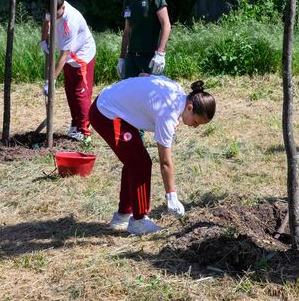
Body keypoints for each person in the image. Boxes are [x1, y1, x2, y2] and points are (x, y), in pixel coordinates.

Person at [89, 77, 216, 235]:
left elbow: (145, 75)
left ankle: (123, 215)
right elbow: (165, 162)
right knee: (140, 163)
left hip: (113, 104)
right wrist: (172, 196)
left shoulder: (176, 89)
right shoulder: (168, 114)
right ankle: (139, 221)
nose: (195, 127)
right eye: (196, 122)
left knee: (134, 159)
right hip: (106, 113)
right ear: (189, 107)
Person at [40, 0, 97, 143]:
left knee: (80, 93)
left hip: (81, 56)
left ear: (63, 7)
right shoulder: (52, 6)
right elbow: (46, 22)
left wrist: (51, 81)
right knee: (70, 90)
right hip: (68, 55)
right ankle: (75, 124)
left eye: (56, 14)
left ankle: (84, 132)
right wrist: (43, 40)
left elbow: (64, 55)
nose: (53, 17)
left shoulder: (70, 21)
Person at [111, 0, 171, 79]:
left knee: (151, 89)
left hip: (151, 58)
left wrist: (160, 53)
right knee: (129, 89)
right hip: (131, 58)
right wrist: (122, 58)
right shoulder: (127, 1)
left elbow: (166, 25)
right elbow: (127, 31)